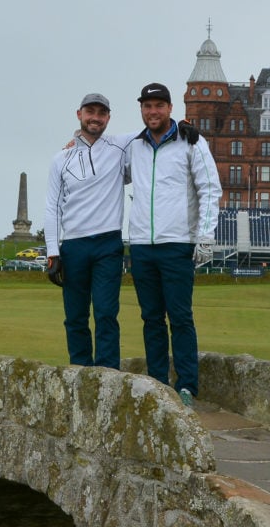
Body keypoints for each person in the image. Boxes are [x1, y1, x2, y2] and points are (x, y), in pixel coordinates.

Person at [126, 82, 222, 407]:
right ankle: (157, 383)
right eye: (147, 106)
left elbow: (210, 188)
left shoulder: (191, 142)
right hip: (141, 243)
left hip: (177, 242)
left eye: (158, 105)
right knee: (151, 318)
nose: (153, 111)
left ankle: (187, 386)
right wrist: (78, 143)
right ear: (142, 109)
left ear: (170, 109)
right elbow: (105, 168)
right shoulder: (133, 147)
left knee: (180, 316)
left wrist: (205, 235)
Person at [43, 93, 135, 368]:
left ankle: (107, 374)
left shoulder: (119, 146)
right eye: (90, 112)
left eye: (101, 113)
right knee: (75, 316)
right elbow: (52, 207)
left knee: (106, 313)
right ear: (79, 114)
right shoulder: (61, 158)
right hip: (73, 245)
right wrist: (52, 252)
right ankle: (80, 373)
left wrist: (183, 126)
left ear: (108, 117)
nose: (95, 117)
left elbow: (155, 127)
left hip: (108, 243)